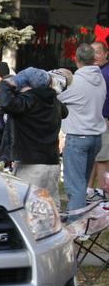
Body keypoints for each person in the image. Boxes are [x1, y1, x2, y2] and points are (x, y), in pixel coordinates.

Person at [0, 68, 67, 202]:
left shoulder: (30, 101)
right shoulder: (52, 100)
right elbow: (65, 111)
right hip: (52, 163)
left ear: (27, 86)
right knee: (51, 212)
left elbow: (6, 103)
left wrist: (5, 84)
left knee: (28, 210)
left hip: (31, 166)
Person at [58, 43, 108, 217]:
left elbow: (56, 97)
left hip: (78, 137)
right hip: (95, 138)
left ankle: (77, 225)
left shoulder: (76, 82)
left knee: (75, 185)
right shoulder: (100, 77)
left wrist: (63, 77)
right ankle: (82, 220)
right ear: (94, 59)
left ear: (76, 59)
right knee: (83, 182)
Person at [87, 40, 109, 201]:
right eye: (92, 52)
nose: (95, 56)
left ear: (106, 54)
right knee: (94, 156)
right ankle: (89, 190)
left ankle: (103, 194)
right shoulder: (92, 71)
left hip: (105, 120)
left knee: (102, 158)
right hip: (92, 120)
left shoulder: (107, 72)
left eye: (98, 52)